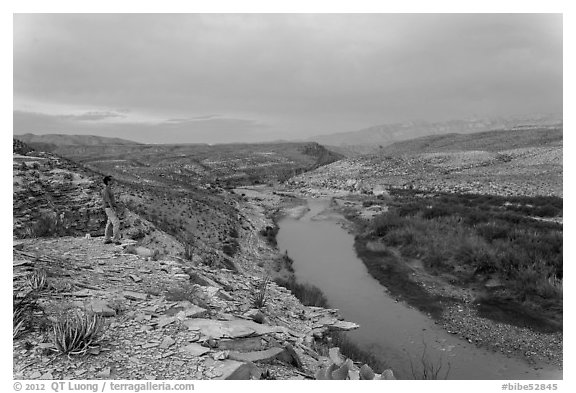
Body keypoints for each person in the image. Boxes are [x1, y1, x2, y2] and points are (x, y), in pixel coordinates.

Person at [102, 175, 121, 245]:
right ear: (108, 181)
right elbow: (108, 201)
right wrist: (113, 210)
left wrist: (116, 206)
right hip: (109, 208)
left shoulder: (109, 189)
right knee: (116, 222)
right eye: (112, 180)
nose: (113, 181)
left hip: (110, 208)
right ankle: (115, 239)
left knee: (109, 223)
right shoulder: (106, 190)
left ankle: (107, 239)